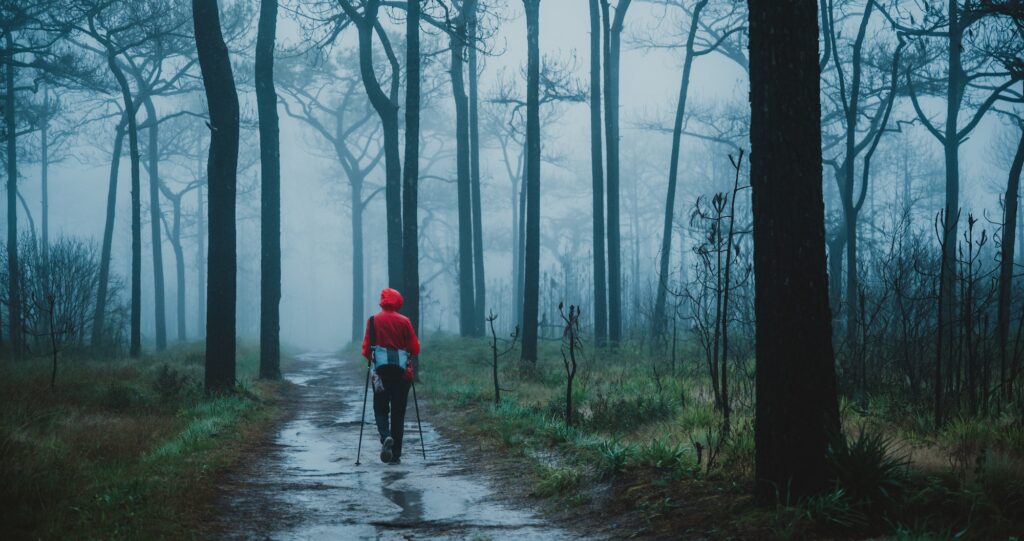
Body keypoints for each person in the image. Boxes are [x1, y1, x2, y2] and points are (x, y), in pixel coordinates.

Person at [361, 287, 420, 464]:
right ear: (398, 302)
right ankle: (395, 456)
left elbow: (366, 349)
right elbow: (415, 348)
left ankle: (385, 436)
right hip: (402, 375)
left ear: (382, 301)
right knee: (398, 414)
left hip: (380, 374)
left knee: (380, 409)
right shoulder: (404, 321)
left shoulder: (372, 321)